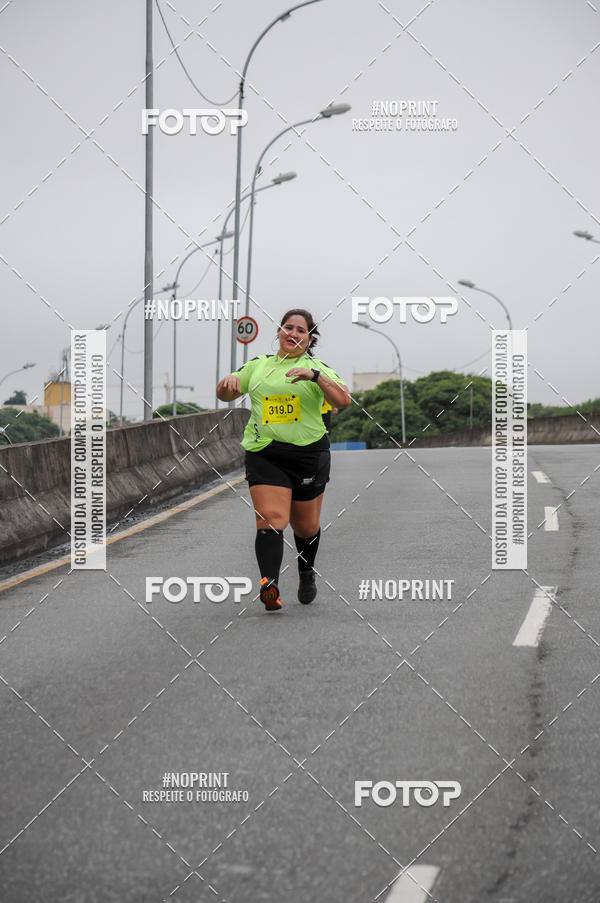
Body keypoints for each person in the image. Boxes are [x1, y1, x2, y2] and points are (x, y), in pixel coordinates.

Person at [216, 309, 351, 611]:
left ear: (309, 338)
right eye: (287, 328)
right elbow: (226, 393)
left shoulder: (318, 367)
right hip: (265, 452)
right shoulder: (259, 366)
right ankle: (269, 586)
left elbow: (343, 399)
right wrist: (227, 384)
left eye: (300, 330)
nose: (292, 333)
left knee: (306, 527)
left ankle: (306, 571)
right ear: (278, 332)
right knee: (270, 520)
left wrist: (315, 377)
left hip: (308, 455)